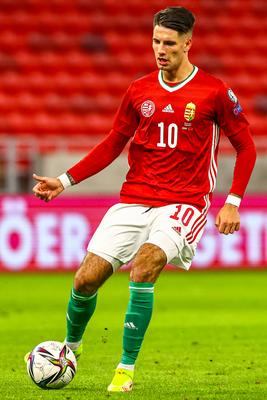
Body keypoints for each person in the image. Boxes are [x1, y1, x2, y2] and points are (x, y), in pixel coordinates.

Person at [30, 6, 256, 392]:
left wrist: (232, 201)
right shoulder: (139, 90)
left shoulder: (215, 91)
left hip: (185, 202)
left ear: (188, 43)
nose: (160, 49)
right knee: (85, 280)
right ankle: (71, 348)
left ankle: (125, 369)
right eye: (155, 41)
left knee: (144, 267)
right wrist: (65, 181)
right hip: (135, 199)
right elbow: (114, 142)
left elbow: (246, 147)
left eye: (169, 43)